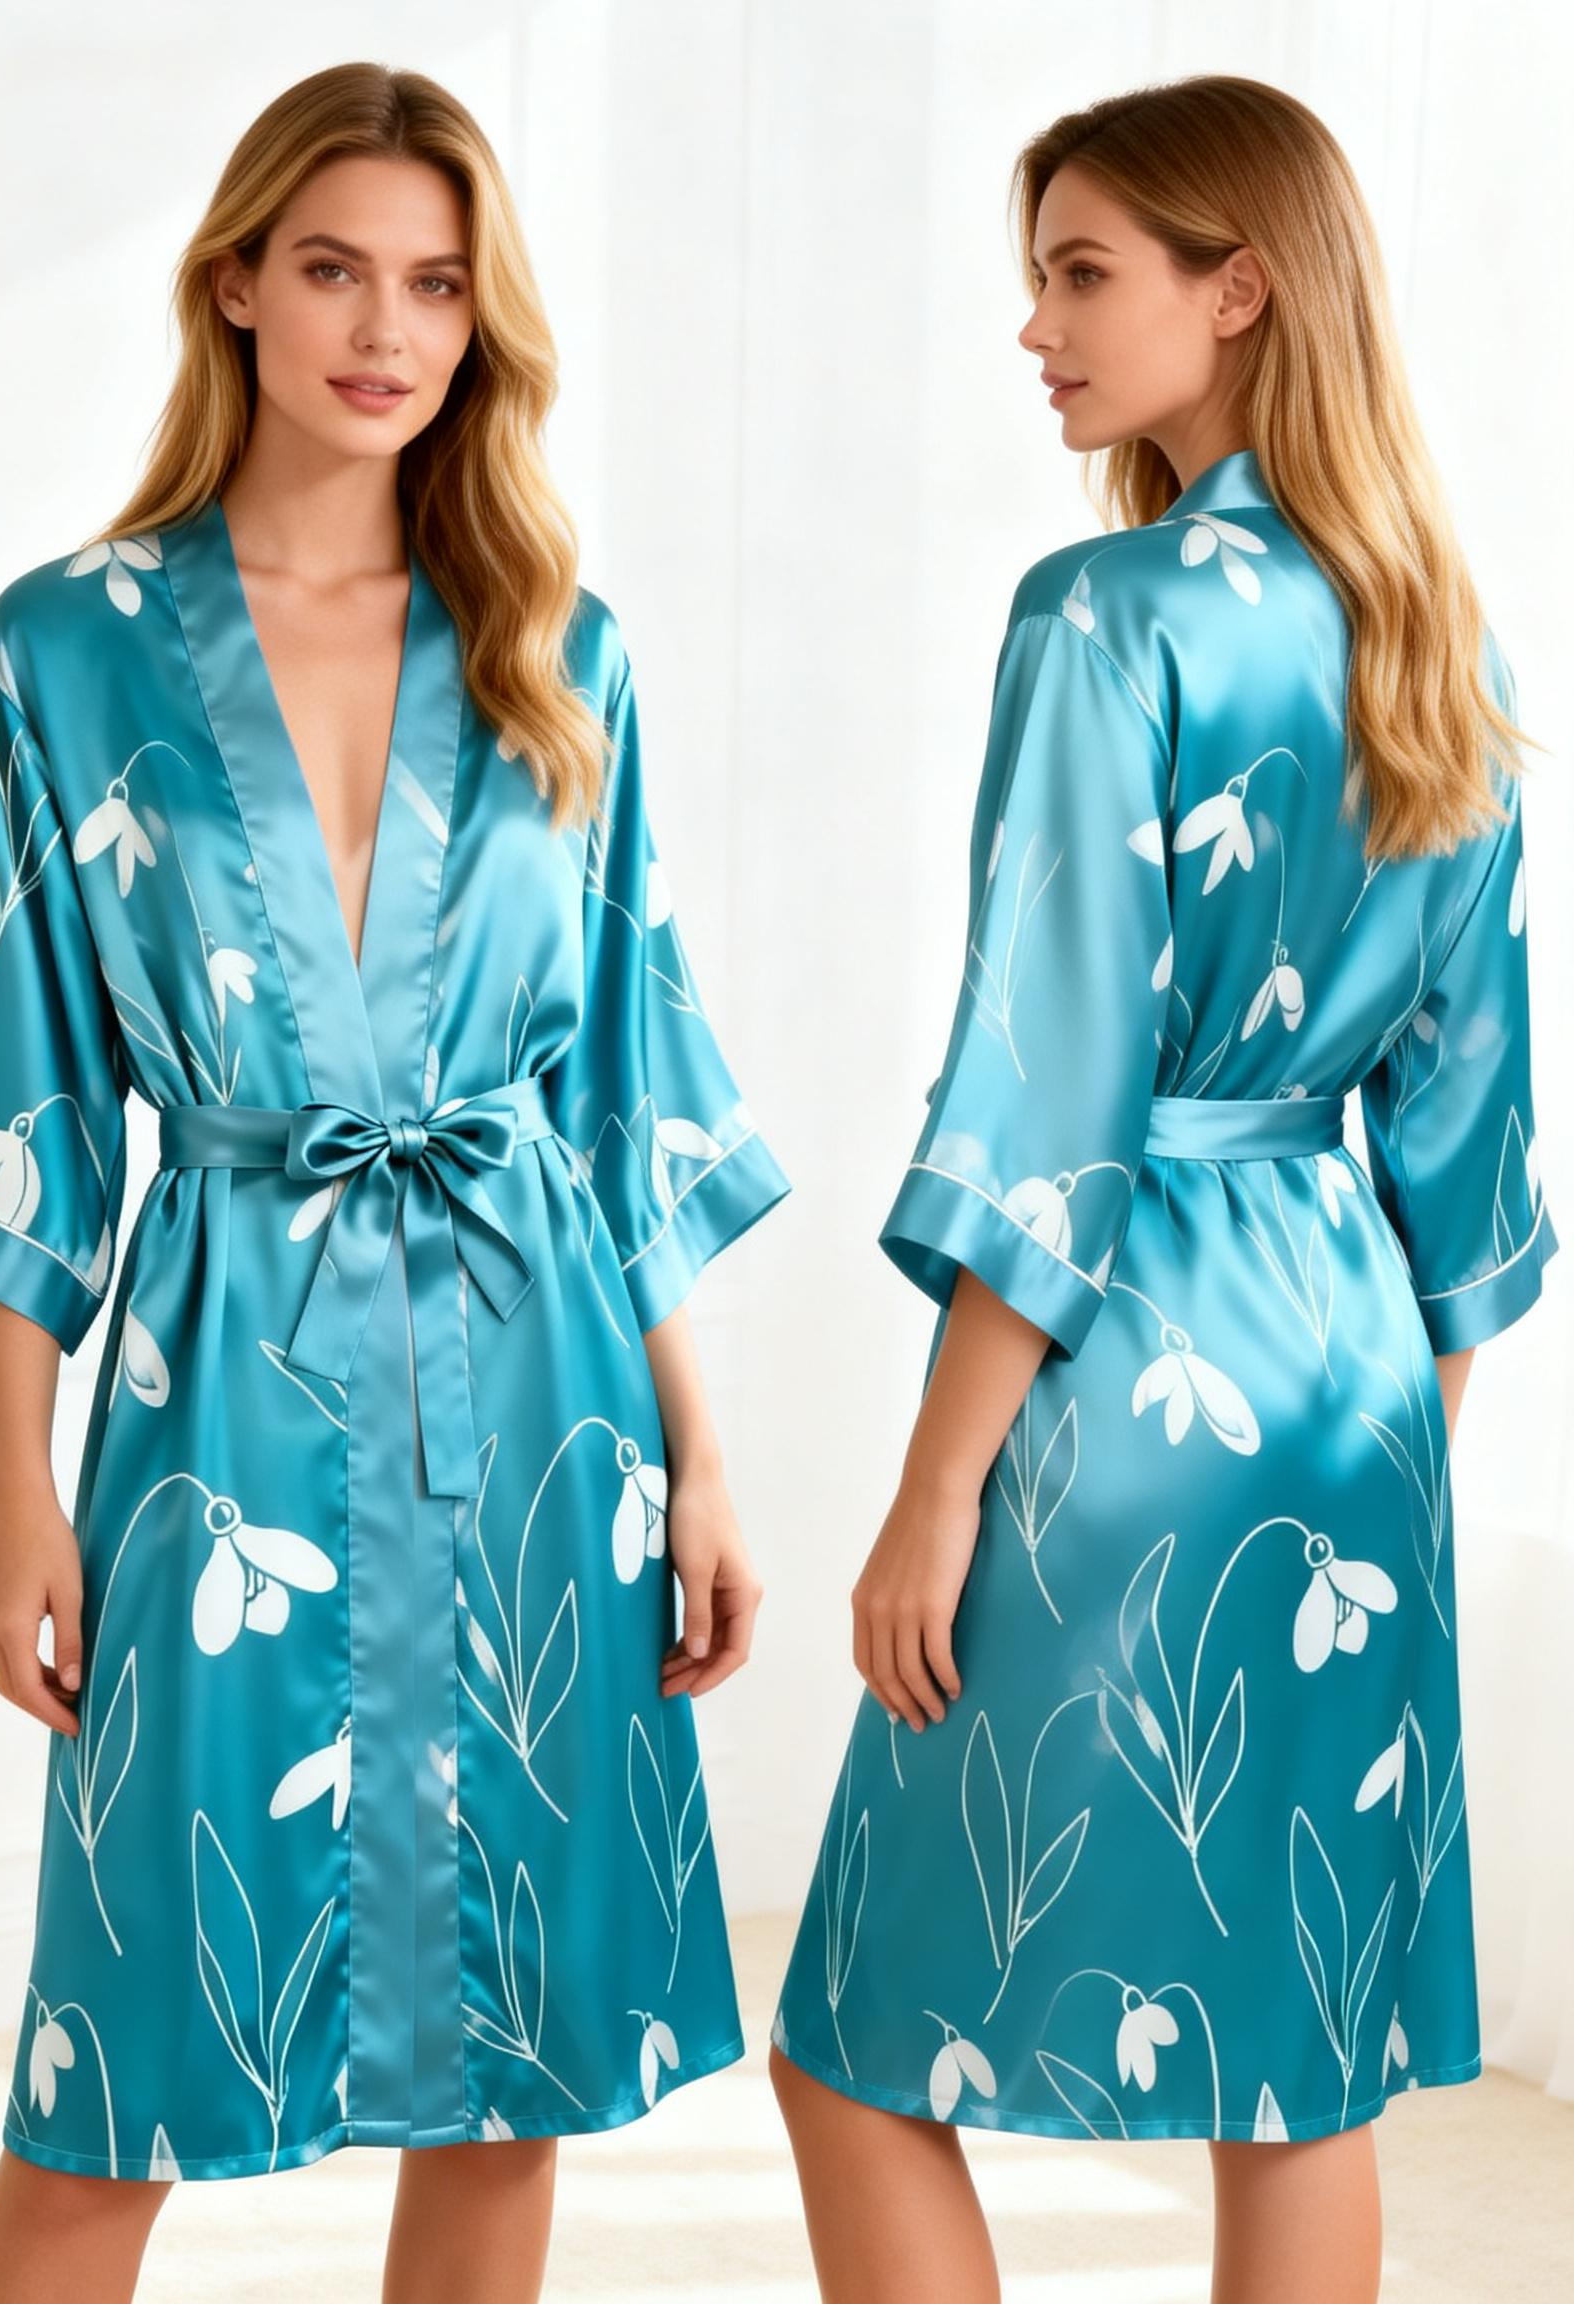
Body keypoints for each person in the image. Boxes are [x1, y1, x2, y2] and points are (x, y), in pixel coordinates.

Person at [0, 60, 788, 2304]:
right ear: (239, 287)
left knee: (513, 2070)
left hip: (543, 1394)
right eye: (338, 270)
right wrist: (12, 1492)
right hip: (223, 1404)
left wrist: (704, 1454)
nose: (387, 329)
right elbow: (23, 1095)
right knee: (119, 2065)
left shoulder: (558, 644)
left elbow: (623, 1091)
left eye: (440, 286)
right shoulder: (69, 643)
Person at [768, 72, 1554, 2304]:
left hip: (1124, 1383)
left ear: (1241, 289)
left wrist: (937, 1492)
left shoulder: (1106, 616)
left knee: (852, 2050)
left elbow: (1055, 1096)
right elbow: (1471, 1141)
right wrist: (1388, 1468)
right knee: (1289, 2074)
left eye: (1082, 272)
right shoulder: (1441, 634)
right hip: (1355, 1389)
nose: (1036, 325)